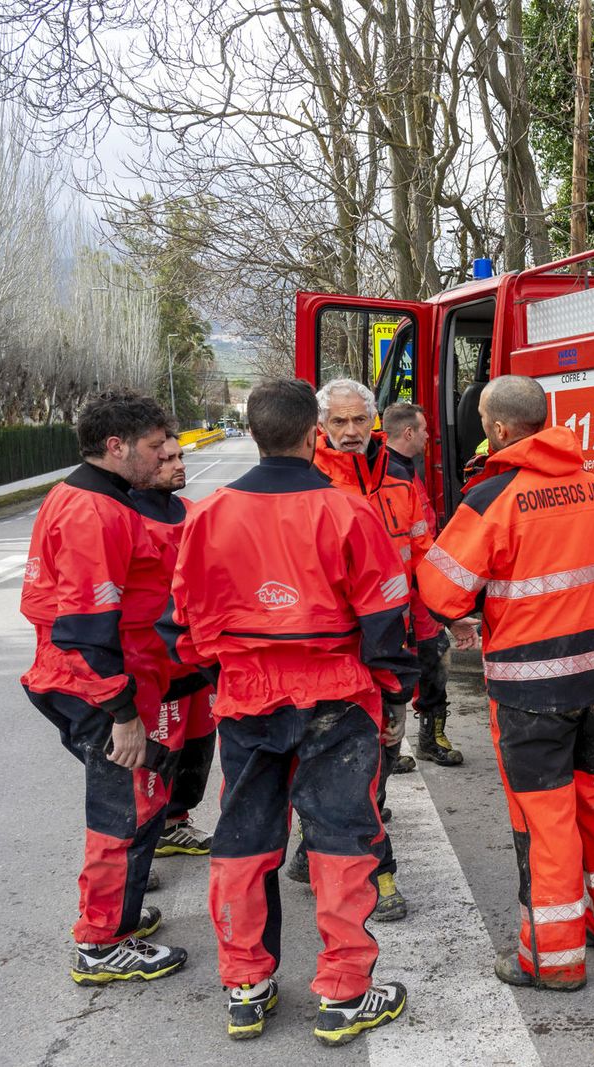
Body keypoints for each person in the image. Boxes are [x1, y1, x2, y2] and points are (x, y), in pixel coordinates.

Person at [158, 378, 417, 1043]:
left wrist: (229, 667)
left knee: (244, 837)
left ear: (253, 433)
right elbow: (387, 617)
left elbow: (178, 625)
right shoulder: (347, 511)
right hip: (336, 695)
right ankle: (344, 991)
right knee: (338, 838)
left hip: (247, 699)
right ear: (315, 435)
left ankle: (246, 984)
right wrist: (394, 692)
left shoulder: (209, 515)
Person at [416, 375, 594, 992]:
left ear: (500, 429)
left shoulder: (493, 497)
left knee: (544, 824)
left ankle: (553, 958)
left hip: (526, 689)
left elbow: (440, 591)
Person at [19, 389, 187, 984]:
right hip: (94, 685)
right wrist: (123, 713)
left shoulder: (97, 495)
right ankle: (100, 942)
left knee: (138, 801)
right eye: (154, 445)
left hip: (98, 678)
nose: (167, 452)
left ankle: (121, 916)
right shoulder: (96, 511)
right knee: (125, 809)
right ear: (115, 448)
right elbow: (87, 628)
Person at [286, 378, 432, 922]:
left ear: (374, 421)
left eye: (358, 421)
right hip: (336, 649)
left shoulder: (399, 474)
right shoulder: (309, 479)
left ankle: (312, 847)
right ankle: (375, 872)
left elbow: (421, 551)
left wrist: (433, 622)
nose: (350, 432)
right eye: (338, 422)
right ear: (320, 426)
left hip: (393, 638)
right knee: (354, 763)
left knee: (382, 755)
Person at [131, 437, 218, 858]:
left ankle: (174, 823)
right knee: (157, 758)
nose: (178, 465)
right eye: (166, 459)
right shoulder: (125, 518)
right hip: (157, 665)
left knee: (198, 746)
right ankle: (137, 854)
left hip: (195, 660)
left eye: (180, 456)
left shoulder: (192, 513)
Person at [381, 401, 463, 770]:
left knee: (436, 658)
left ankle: (431, 738)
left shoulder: (407, 470)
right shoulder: (381, 473)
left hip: (421, 586)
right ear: (409, 432)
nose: (430, 437)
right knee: (394, 676)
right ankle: (389, 753)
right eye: (425, 430)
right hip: (397, 593)